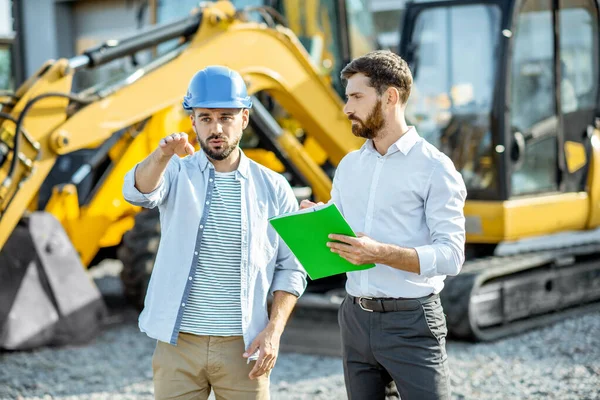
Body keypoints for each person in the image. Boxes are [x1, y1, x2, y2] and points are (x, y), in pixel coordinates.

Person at [122, 65, 307, 400]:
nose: (216, 127)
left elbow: (292, 266)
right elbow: (137, 192)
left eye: (226, 116)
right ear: (192, 121)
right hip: (179, 344)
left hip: (244, 345)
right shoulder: (175, 170)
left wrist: (274, 332)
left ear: (245, 118)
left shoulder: (274, 186)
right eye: (205, 118)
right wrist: (162, 154)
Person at [302, 50, 467, 399]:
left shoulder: (435, 168)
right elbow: (344, 232)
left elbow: (451, 256)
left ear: (390, 96)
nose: (347, 108)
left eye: (357, 97)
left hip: (412, 321)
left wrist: (379, 253)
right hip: (354, 320)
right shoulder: (349, 166)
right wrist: (318, 219)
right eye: (348, 97)